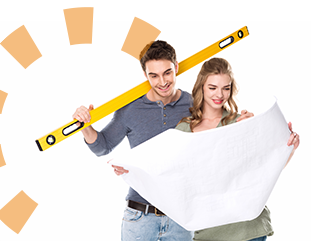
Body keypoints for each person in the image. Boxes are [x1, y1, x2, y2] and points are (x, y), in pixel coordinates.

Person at [72, 41, 255, 241]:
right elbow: (103, 147)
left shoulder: (193, 105)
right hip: (139, 217)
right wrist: (85, 126)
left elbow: (218, 129)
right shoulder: (130, 109)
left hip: (181, 218)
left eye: (167, 72)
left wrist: (241, 122)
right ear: (145, 75)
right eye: (154, 75)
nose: (162, 81)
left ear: (176, 67)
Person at [174, 57, 300, 241]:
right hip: (208, 233)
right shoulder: (183, 131)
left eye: (226, 88)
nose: (220, 95)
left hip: (248, 230)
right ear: (201, 86)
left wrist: (289, 149)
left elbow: (264, 170)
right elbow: (171, 178)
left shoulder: (241, 122)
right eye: (213, 87)